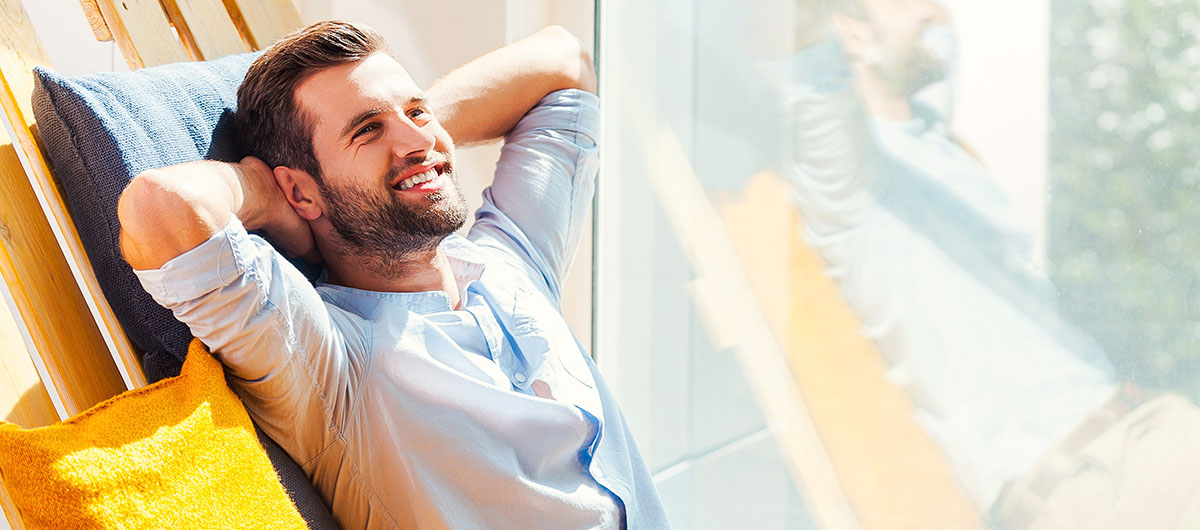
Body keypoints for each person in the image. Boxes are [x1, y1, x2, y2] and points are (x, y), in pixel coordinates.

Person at [117, 20, 668, 530]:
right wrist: (270, 198)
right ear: (302, 189)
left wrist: (414, 137)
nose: (417, 138)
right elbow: (160, 209)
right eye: (366, 130)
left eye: (416, 113)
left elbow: (564, 62)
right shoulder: (331, 366)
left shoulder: (509, 261)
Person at [771, 0, 1200, 527]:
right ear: (849, 34)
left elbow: (937, 37)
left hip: (1153, 429)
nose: (934, 10)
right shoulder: (853, 195)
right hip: (1090, 490)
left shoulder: (934, 135)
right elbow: (810, 74)